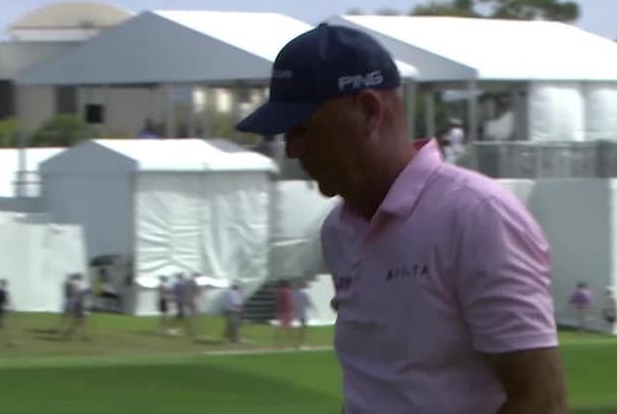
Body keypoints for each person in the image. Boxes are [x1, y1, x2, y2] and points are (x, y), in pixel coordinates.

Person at [236, 23, 567, 413]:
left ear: (368, 112)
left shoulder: (476, 216)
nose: (291, 150)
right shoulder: (338, 230)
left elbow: (541, 399)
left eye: (302, 129)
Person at [292, 282, 314, 349]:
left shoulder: (293, 294)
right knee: (303, 329)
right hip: (301, 313)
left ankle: (298, 343)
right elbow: (308, 303)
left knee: (300, 328)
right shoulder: (303, 294)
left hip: (295, 313)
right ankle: (301, 343)